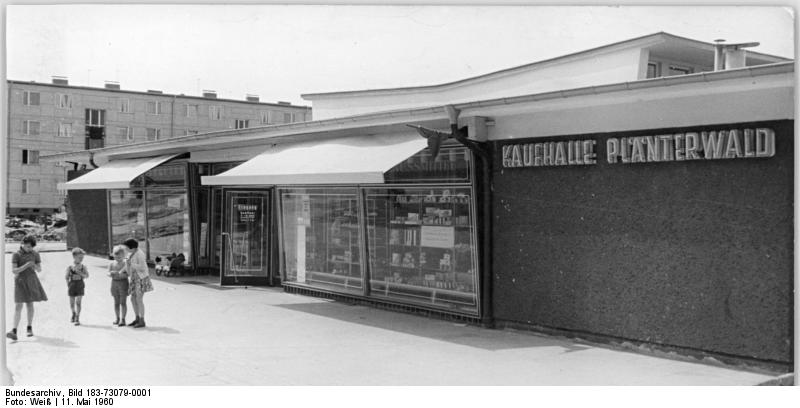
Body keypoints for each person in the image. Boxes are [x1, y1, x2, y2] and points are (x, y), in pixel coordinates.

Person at [7, 235, 48, 341]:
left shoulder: (35, 254)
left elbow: (39, 270)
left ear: (33, 246)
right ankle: (14, 331)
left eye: (30, 247)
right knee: (18, 306)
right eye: (26, 245)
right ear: (22, 244)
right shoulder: (16, 254)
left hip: (31, 281)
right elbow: (14, 271)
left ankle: (29, 328)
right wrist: (26, 265)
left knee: (30, 305)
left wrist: (34, 265)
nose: (27, 248)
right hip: (20, 281)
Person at [124, 238, 153, 328]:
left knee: (139, 299)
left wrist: (131, 264)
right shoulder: (131, 254)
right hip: (134, 278)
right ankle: (137, 318)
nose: (126, 249)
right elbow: (129, 269)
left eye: (127, 247)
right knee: (133, 298)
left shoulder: (140, 254)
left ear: (131, 247)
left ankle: (142, 320)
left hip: (141, 278)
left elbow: (142, 267)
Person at [65, 247, 89, 326]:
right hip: (72, 285)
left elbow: (87, 276)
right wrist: (68, 284)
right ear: (74, 257)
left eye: (82, 257)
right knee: (72, 303)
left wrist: (80, 273)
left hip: (80, 284)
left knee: (78, 302)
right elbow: (66, 277)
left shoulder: (83, 266)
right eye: (80, 257)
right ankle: (73, 313)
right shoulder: (70, 267)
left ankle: (77, 317)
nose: (81, 259)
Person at [107, 245, 130, 326]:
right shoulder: (111, 264)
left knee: (123, 302)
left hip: (123, 283)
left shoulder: (125, 264)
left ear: (123, 256)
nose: (117, 259)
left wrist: (121, 275)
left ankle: (123, 319)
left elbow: (128, 274)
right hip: (114, 284)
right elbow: (108, 273)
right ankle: (117, 318)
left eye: (119, 257)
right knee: (116, 302)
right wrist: (111, 273)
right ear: (113, 255)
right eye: (116, 257)